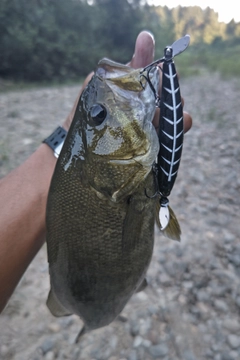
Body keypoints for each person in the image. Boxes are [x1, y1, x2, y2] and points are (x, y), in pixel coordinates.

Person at [0, 31, 192, 313]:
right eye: (99, 114)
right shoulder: (106, 175)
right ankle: (95, 314)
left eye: (98, 114)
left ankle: (100, 309)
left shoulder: (104, 174)